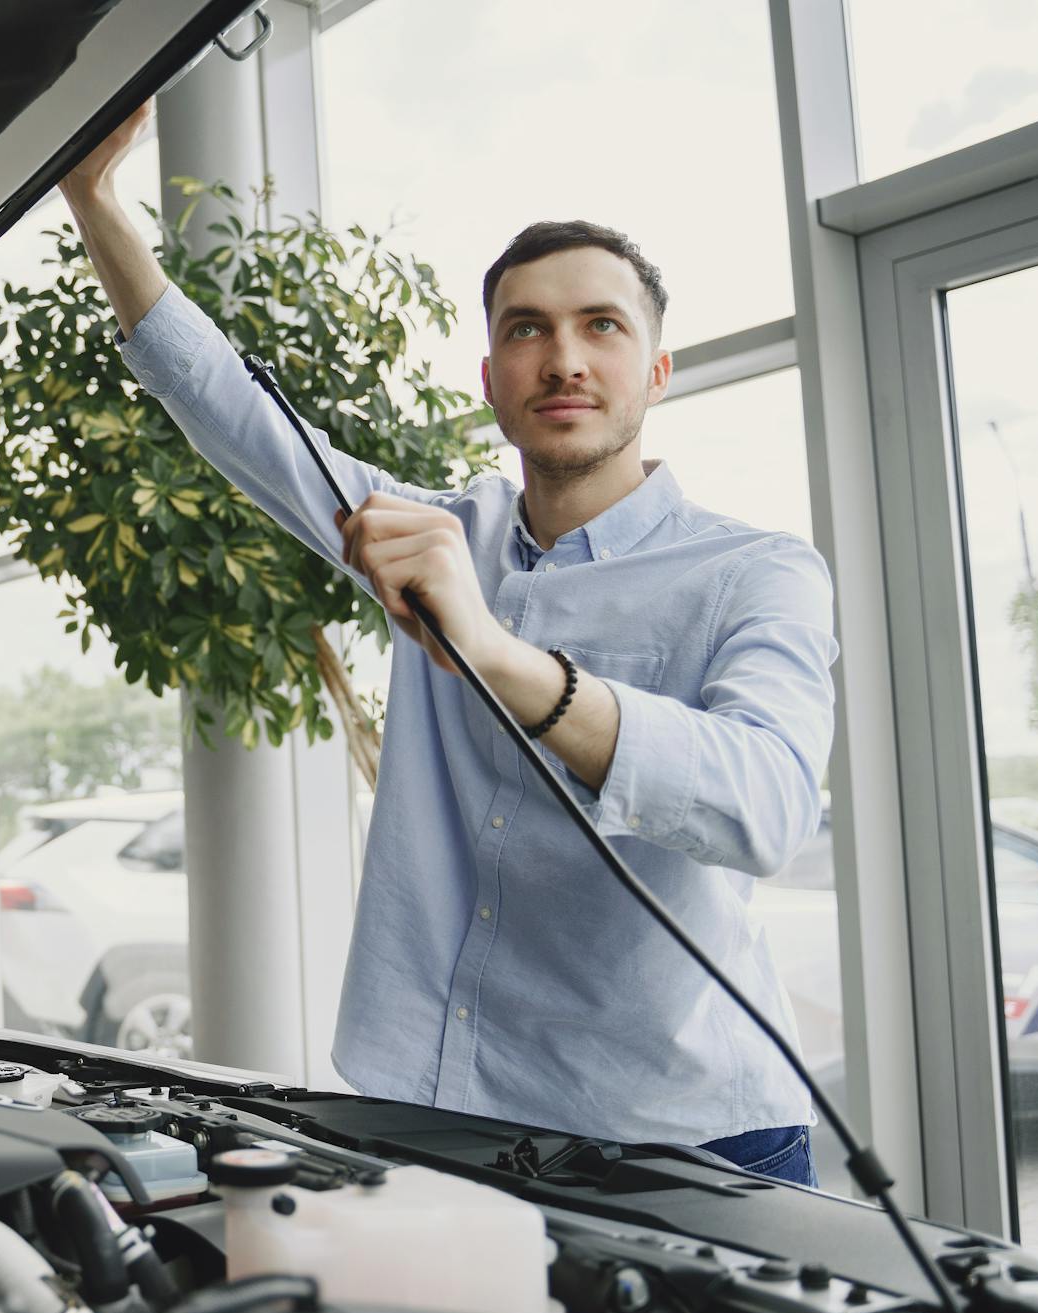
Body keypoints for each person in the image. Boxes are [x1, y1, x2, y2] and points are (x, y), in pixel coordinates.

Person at [57, 104, 836, 1186]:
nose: (562, 358)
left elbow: (766, 806)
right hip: (439, 1112)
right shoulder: (440, 532)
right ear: (488, 378)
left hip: (684, 1133)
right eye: (525, 329)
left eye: (600, 326)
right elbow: (231, 411)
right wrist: (90, 201)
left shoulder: (756, 573)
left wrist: (502, 657)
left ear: (657, 372)